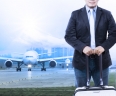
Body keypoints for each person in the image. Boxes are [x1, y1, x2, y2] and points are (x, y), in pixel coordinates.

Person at [64, 0, 116, 87]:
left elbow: (114, 34)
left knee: (102, 92)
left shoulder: (107, 14)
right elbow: (69, 36)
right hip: (81, 62)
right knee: (81, 92)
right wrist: (82, 47)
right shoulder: (75, 14)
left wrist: (103, 47)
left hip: (102, 61)